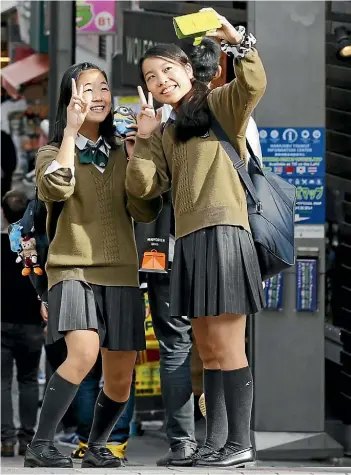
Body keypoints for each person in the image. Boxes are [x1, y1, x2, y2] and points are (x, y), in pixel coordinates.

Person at [126, 9, 266, 469]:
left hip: (225, 233)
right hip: (187, 241)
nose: (161, 79)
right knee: (205, 351)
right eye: (152, 76)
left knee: (226, 346)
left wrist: (237, 42)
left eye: (168, 69)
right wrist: (144, 141)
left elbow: (254, 86)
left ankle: (239, 442)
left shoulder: (221, 104)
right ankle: (217, 442)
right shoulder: (165, 131)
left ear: (187, 69)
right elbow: (145, 191)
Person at [24, 62, 161, 469]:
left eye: (103, 87)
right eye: (87, 88)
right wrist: (70, 132)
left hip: (121, 270)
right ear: (70, 99)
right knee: (82, 354)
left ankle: (97, 445)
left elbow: (144, 206)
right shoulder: (51, 152)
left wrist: (143, 151)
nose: (99, 95)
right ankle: (40, 443)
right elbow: (56, 186)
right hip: (72, 268)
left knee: (120, 374)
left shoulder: (125, 149)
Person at [1, 190, 45, 457]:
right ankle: (28, 438)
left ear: (4, 214)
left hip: (2, 321)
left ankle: (5, 440)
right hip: (31, 323)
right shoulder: (34, 245)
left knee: (2, 382)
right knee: (29, 380)